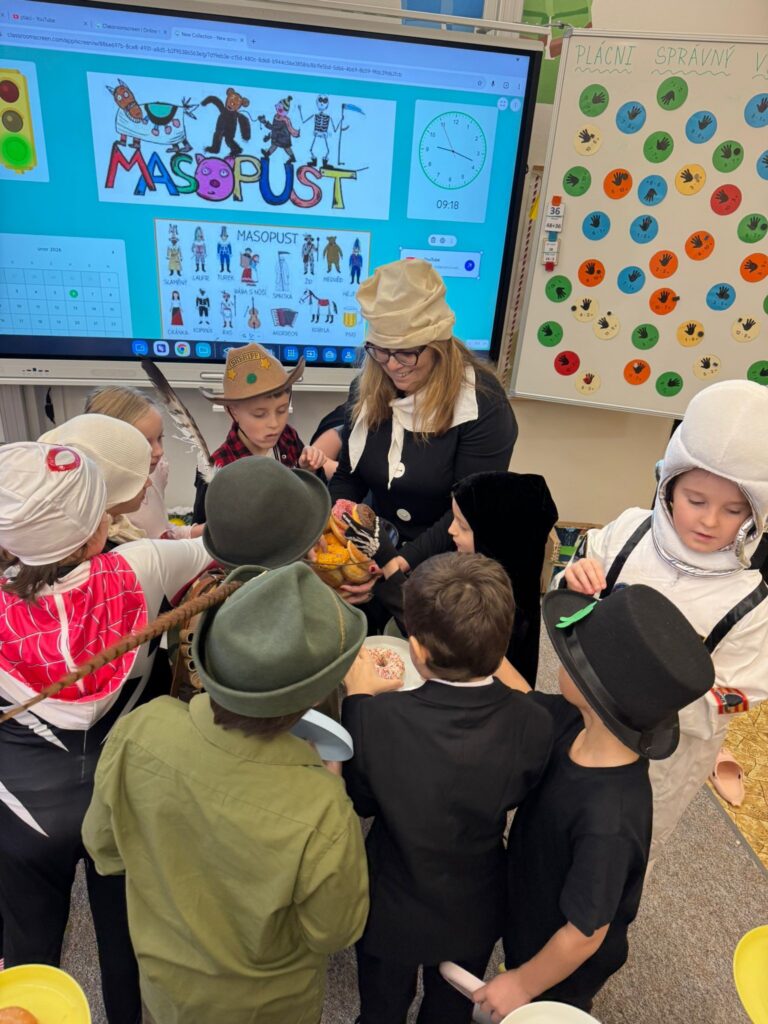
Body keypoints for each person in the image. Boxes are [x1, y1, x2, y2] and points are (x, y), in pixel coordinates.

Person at [83, 562, 370, 1024]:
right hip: (268, 1010)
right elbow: (332, 931)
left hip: (165, 990)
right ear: (317, 694)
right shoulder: (324, 809)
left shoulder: (139, 729)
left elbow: (104, 850)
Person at [0, 442, 211, 1024]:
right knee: (126, 941)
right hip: (119, 802)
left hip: (20, 815)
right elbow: (229, 541)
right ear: (97, 530)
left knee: (28, 956)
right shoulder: (143, 564)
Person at [473, 585, 715, 1018]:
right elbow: (526, 700)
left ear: (593, 690)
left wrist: (524, 983)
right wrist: (480, 651)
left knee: (542, 1007)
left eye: (569, 656)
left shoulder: (610, 820)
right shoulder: (577, 721)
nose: (561, 659)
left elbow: (585, 932)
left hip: (563, 960)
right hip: (535, 903)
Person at [558, 379, 768, 857]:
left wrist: (663, 692)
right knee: (558, 812)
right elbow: (572, 588)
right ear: (668, 484)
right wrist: (574, 580)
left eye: (733, 510)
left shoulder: (750, 601)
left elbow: (739, 694)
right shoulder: (630, 531)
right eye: (696, 500)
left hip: (661, 759)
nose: (709, 521)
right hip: (582, 711)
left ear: (756, 515)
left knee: (624, 849)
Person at [342, 552, 552, 1023]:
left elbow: (361, 800)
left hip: (389, 904)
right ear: (502, 645)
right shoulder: (535, 721)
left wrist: (359, 696)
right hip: (475, 906)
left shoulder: (374, 718)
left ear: (416, 650)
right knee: (451, 1011)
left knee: (381, 1010)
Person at [330, 260, 518, 553]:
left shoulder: (482, 402)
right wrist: (335, 530)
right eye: (381, 351)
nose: (392, 365)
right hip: (378, 544)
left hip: (447, 554)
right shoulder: (366, 389)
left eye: (406, 352)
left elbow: (469, 508)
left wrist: (399, 564)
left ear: (438, 346)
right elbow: (349, 477)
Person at [192, 343, 330, 523]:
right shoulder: (216, 468)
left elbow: (309, 498)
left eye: (282, 410)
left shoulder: (288, 438)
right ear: (233, 411)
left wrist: (309, 470)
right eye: (259, 414)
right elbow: (203, 529)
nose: (274, 424)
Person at [84, 385, 203, 540]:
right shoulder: (95, 511)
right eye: (145, 443)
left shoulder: (156, 470)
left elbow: (162, 532)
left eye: (160, 438)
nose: (159, 451)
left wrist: (201, 531)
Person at [39, 412, 152, 547]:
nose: (149, 483)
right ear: (109, 486)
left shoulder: (115, 529)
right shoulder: (100, 551)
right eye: (138, 479)